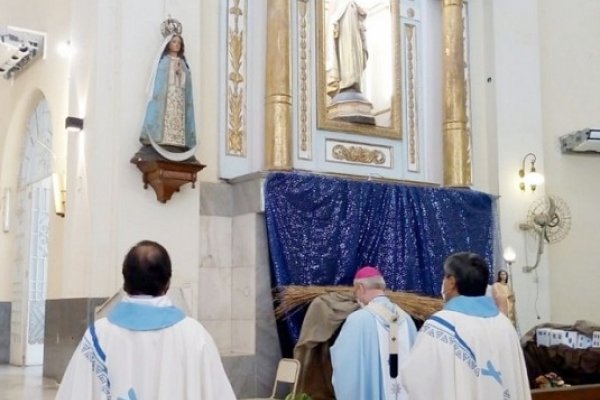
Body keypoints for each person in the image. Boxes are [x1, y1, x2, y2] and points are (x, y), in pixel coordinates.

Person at [55, 240, 236, 400]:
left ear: (125, 281)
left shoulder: (98, 337)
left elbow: (75, 392)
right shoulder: (195, 336)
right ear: (167, 283)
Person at [400, 252, 531, 400]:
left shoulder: (439, 327)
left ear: (451, 282)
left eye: (444, 276)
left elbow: (415, 379)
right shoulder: (505, 325)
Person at [330, 265, 417, 400]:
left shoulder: (357, 320)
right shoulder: (407, 320)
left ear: (360, 288)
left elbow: (345, 369)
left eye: (356, 291)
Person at [140, 19, 197, 160]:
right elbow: (159, 82)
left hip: (178, 100)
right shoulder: (164, 62)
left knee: (177, 120)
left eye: (178, 43)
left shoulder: (183, 63)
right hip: (165, 99)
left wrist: (180, 73)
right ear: (168, 44)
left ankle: (178, 143)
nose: (176, 45)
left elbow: (186, 85)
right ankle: (160, 138)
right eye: (174, 42)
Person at [326, 0, 369, 98]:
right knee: (346, 55)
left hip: (355, 37)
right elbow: (332, 18)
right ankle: (347, 81)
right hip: (344, 35)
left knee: (356, 56)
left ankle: (355, 81)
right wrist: (334, 25)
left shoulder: (354, 3)